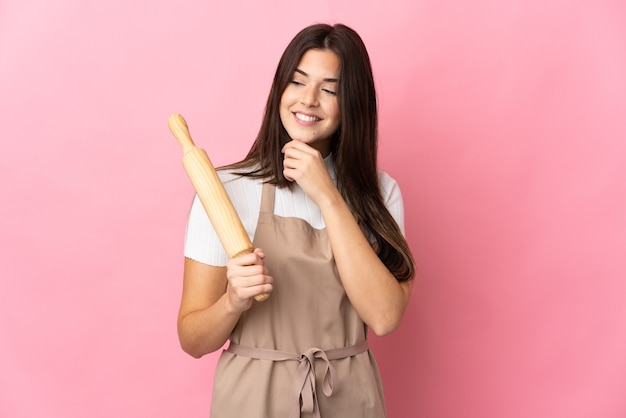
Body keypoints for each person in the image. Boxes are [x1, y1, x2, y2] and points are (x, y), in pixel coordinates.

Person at [177, 23, 415, 418]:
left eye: (330, 89)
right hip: (252, 400)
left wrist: (328, 195)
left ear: (352, 103)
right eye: (298, 82)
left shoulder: (381, 193)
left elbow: (385, 317)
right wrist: (233, 302)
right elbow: (192, 339)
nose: (308, 100)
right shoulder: (227, 190)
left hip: (349, 398)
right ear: (279, 91)